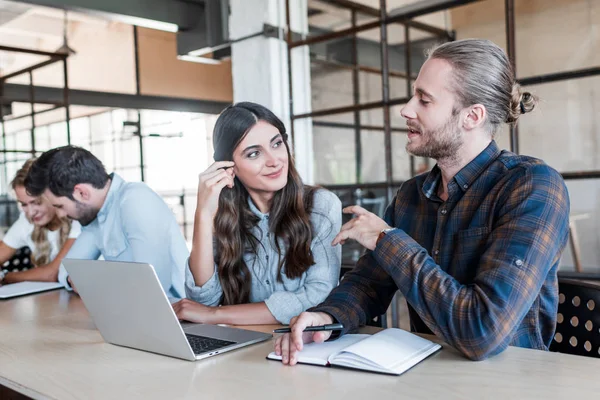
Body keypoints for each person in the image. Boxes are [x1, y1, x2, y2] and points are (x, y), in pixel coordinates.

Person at [275, 38, 570, 362]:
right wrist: (327, 317)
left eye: (424, 100)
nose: (406, 109)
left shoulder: (532, 187)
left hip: (510, 384)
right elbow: (369, 284)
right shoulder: (411, 196)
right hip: (422, 375)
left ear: (472, 116)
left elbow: (482, 332)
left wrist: (387, 239)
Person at [172, 102, 341, 325]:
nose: (274, 161)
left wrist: (216, 315)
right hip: (245, 343)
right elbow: (202, 301)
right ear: (229, 166)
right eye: (254, 154)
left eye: (277, 144)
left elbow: (318, 297)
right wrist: (203, 214)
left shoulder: (320, 205)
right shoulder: (224, 214)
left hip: (305, 343)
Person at [24, 146, 188, 298]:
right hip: (135, 312)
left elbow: (153, 286)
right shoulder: (96, 216)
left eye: (60, 206)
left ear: (81, 193)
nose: (60, 214)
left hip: (180, 318)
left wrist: (92, 282)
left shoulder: (136, 199)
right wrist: (83, 281)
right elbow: (65, 270)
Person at [0, 159, 81, 284]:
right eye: (23, 204)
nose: (31, 212)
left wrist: (4, 276)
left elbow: (52, 273)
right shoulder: (26, 221)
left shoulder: (78, 219)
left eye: (36, 203)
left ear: (54, 194)